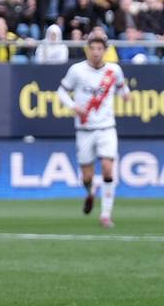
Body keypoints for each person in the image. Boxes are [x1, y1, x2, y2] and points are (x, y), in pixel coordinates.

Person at [56, 38, 130, 227]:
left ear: (105, 50)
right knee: (87, 176)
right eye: (93, 48)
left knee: (107, 167)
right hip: (84, 129)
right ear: (87, 50)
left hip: (106, 127)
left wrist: (125, 95)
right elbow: (61, 92)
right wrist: (74, 106)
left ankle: (105, 214)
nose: (96, 52)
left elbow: (122, 86)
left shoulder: (114, 70)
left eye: (99, 48)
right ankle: (90, 192)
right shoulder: (77, 70)